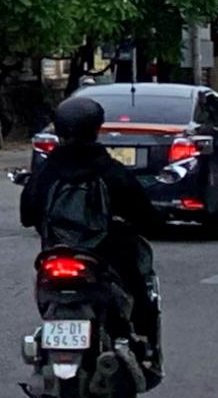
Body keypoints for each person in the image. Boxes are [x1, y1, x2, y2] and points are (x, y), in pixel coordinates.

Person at [22, 95, 165, 364]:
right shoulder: (111, 171)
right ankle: (143, 344)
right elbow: (145, 214)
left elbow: (27, 214)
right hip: (104, 256)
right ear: (96, 127)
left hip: (56, 253)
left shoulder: (47, 172)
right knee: (138, 285)